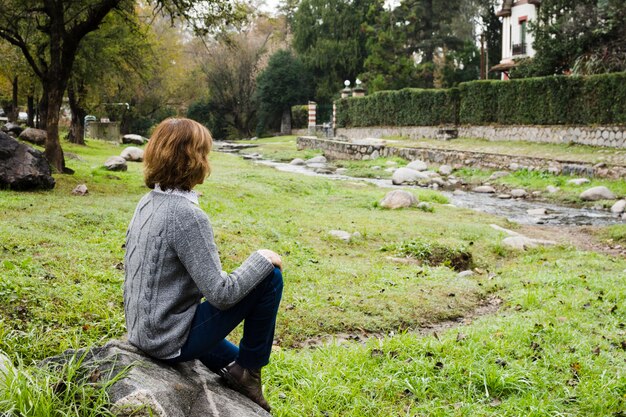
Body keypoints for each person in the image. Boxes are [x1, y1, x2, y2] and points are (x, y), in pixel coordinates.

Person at [123, 117, 283, 412]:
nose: (208, 162)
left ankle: (243, 370)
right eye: (204, 154)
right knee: (270, 277)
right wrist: (261, 257)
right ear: (191, 159)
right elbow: (221, 293)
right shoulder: (186, 215)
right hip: (168, 338)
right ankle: (248, 372)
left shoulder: (148, 201)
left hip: (143, 330)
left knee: (232, 359)